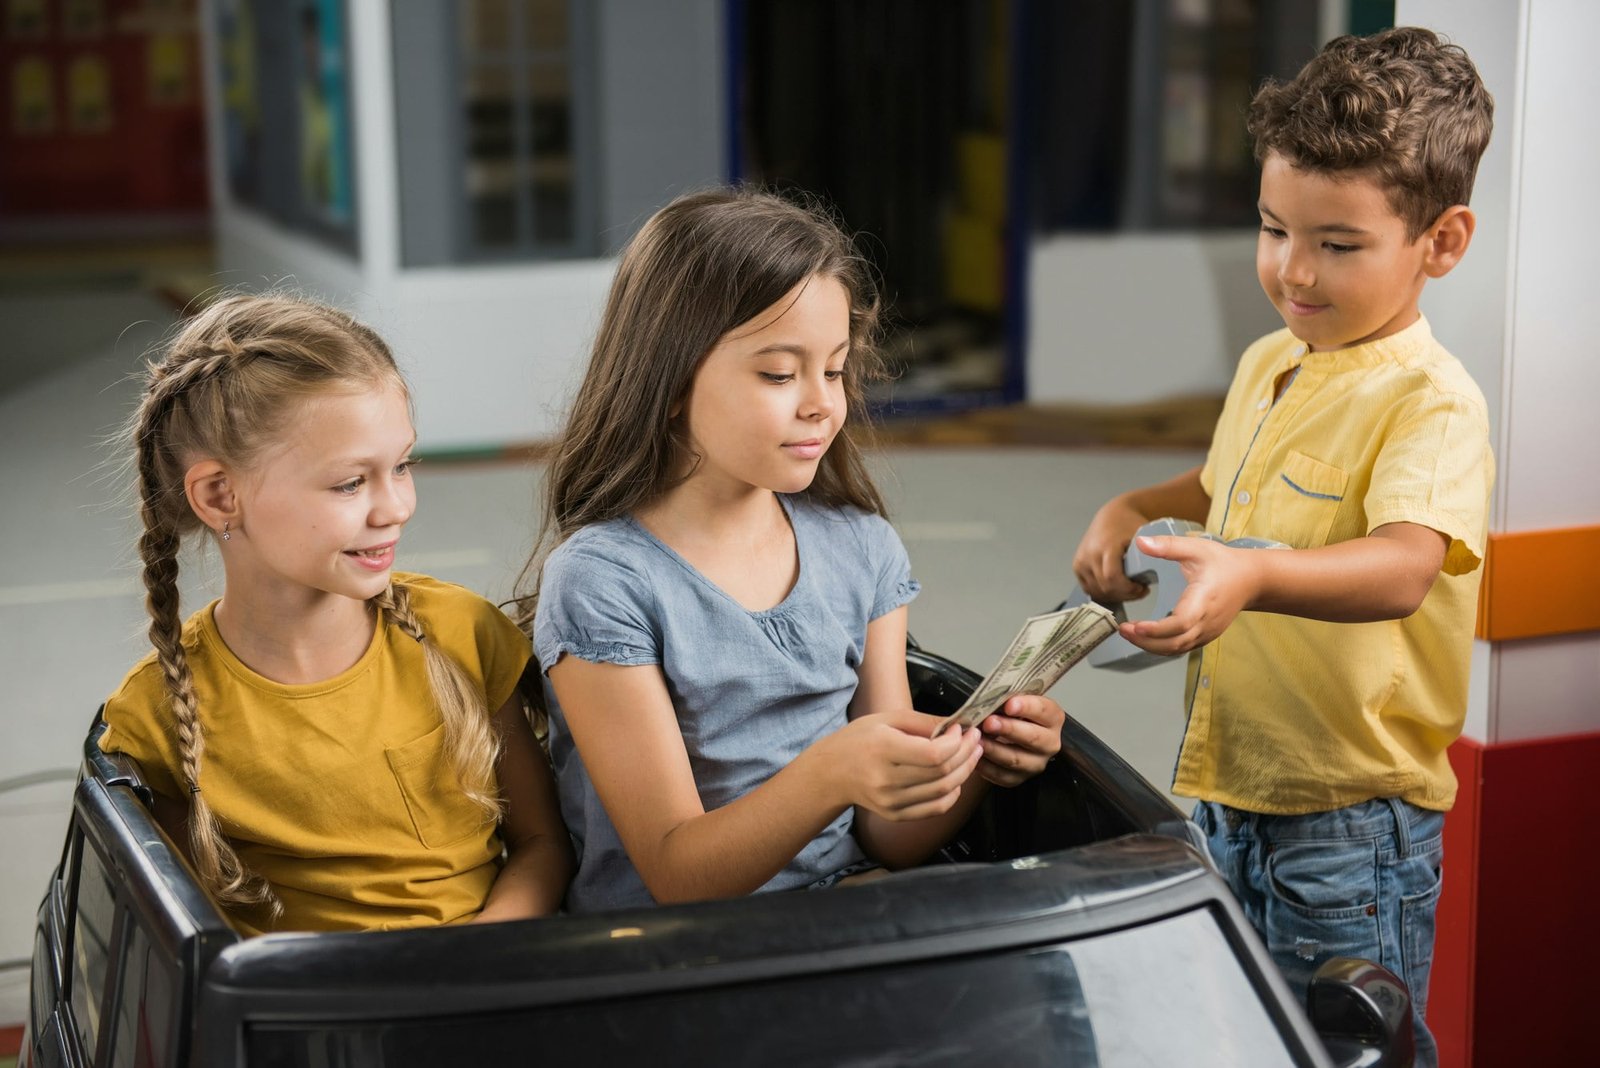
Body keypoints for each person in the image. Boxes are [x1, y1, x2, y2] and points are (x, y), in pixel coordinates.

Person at [1071, 27, 1493, 1063]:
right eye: (1271, 229)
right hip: (1230, 786)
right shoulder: (1274, 358)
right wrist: (1132, 505)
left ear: (1438, 243)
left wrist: (1251, 572)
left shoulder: (1430, 403)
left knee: (1344, 1047)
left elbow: (1403, 564)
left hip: (1348, 825)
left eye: (1337, 245)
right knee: (1245, 1035)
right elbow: (1222, 488)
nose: (1292, 271)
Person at [515, 187, 1066, 913]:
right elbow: (679, 876)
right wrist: (832, 772)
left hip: (836, 920)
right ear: (670, 379)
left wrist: (971, 763)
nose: (822, 404)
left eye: (834, 370)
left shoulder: (862, 547)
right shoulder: (602, 580)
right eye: (779, 374)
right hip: (675, 958)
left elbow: (889, 839)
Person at [100, 293, 573, 936]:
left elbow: (544, 845)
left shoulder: (462, 635)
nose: (396, 507)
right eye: (351, 482)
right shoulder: (156, 716)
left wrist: (469, 957)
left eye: (401, 466)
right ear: (219, 495)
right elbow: (186, 937)